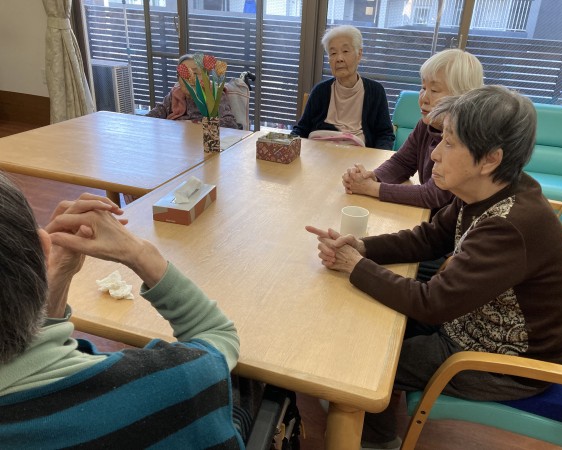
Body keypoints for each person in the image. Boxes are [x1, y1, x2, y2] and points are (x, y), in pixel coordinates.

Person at [307, 86, 562, 450]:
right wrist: (362, 247)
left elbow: (432, 303)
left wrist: (355, 266)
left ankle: (376, 439)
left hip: (503, 360)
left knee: (362, 363)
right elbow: (430, 237)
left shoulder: (509, 225)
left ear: (490, 159)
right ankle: (375, 427)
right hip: (470, 321)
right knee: (367, 325)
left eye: (449, 143)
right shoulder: (489, 189)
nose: (434, 153)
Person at [0, 181, 243, 449]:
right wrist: (139, 252)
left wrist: (55, 280)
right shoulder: (177, 384)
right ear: (44, 247)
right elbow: (217, 334)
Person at [342, 49, 484, 211]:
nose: (423, 98)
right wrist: (373, 177)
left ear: (462, 97)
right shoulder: (426, 125)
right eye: (423, 87)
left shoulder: (465, 140)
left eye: (434, 90)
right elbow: (402, 162)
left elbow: (433, 195)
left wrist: (370, 188)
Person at [291, 25, 395, 150]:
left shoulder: (376, 91)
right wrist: (287, 146)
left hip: (360, 156)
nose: (339, 59)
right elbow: (301, 129)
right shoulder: (320, 91)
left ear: (359, 54)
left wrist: (378, 159)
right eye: (333, 53)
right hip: (320, 153)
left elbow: (385, 135)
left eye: (345, 51)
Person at [147, 54, 240, 129]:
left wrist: (195, 124)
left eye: (195, 73)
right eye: (185, 73)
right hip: (178, 139)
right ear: (178, 79)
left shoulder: (214, 94)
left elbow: (230, 124)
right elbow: (154, 114)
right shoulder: (175, 94)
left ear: (206, 77)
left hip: (203, 139)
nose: (190, 78)